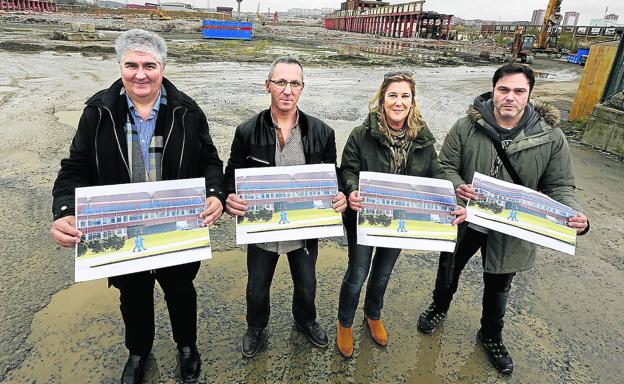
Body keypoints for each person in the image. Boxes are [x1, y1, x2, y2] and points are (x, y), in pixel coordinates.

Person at [50, 29, 225, 384]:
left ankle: (187, 346)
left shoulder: (187, 111)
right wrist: (65, 211)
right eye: (131, 65)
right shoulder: (98, 112)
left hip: (175, 228)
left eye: (149, 65)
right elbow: (75, 167)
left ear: (163, 66)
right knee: (133, 296)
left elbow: (210, 159)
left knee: (180, 291)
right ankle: (139, 350)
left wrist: (214, 193)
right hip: (124, 228)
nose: (140, 74)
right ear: (119, 66)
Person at [416, 64, 589, 374]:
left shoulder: (550, 136)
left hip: (512, 225)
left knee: (499, 283)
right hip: (466, 218)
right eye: (504, 89)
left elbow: (560, 185)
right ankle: (438, 308)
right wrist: (458, 187)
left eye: (519, 91)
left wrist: (574, 214)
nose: (510, 97)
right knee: (448, 268)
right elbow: (446, 166)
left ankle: (491, 334)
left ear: (530, 95)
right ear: (493, 90)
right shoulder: (466, 127)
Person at [224, 57, 347, 358]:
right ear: (268, 85)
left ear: (302, 88)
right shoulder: (247, 131)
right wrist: (229, 195)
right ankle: (256, 327)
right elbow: (232, 172)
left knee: (307, 284)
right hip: (263, 230)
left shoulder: (322, 132)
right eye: (280, 82)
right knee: (256, 287)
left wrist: (341, 193)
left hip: (303, 231)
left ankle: (305, 320)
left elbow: (333, 174)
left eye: (294, 83)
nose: (287, 90)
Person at [337, 72, 466, 358]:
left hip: (400, 221)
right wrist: (352, 189)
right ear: (382, 99)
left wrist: (453, 198)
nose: (398, 101)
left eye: (404, 95)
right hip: (365, 219)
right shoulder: (362, 134)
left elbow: (437, 172)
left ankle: (373, 314)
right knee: (357, 273)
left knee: (382, 274)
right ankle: (344, 323)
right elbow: (347, 169)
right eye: (392, 95)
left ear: (412, 100)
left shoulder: (421, 136)